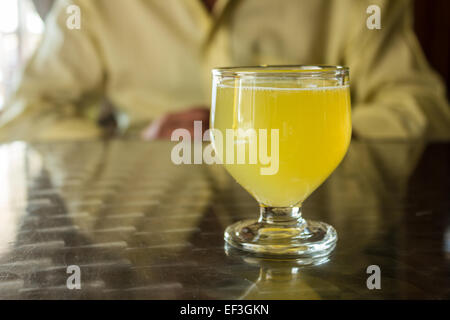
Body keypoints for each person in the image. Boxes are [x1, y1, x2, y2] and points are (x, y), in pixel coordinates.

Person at [0, 0, 449, 142]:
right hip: (151, 230)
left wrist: (299, 138)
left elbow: (424, 109)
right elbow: (21, 121)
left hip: (321, 218)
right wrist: (129, 148)